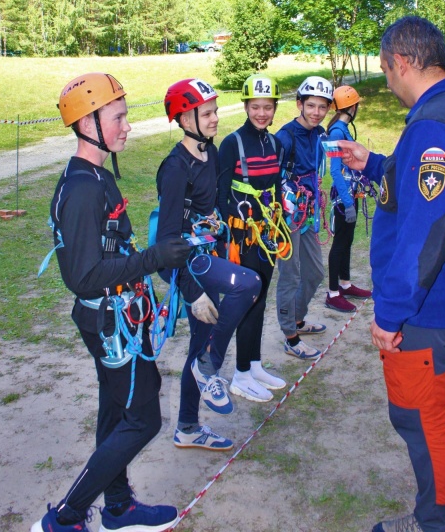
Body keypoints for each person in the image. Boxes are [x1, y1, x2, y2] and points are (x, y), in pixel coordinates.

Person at [338, 17, 445, 532]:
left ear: (402, 62)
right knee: (436, 409)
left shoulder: (434, 125)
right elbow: (423, 183)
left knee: (419, 418)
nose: (386, 82)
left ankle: (439, 521)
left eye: (386, 70)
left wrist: (391, 312)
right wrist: (374, 162)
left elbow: (425, 233)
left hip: (427, 308)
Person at [32, 73, 191, 532]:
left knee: (115, 411)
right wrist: (152, 259)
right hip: (109, 322)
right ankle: (66, 515)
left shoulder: (97, 174)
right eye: (118, 117)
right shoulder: (82, 188)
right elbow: (80, 276)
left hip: (117, 317)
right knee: (143, 419)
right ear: (87, 123)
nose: (126, 127)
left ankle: (118, 506)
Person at [156, 78, 259, 448]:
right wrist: (192, 291)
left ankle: (187, 428)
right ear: (185, 119)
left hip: (208, 255)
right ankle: (210, 362)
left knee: (198, 344)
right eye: (208, 113)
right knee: (249, 284)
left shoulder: (210, 152)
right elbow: (167, 240)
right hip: (187, 264)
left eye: (216, 111)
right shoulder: (174, 168)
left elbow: (214, 205)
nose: (217, 118)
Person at [218, 75, 289, 402]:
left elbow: (276, 185)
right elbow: (220, 195)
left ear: (275, 109)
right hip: (243, 237)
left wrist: (284, 210)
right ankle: (240, 375)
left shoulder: (276, 145)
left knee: (259, 300)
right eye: (255, 107)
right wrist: (236, 227)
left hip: (268, 234)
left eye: (268, 107)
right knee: (248, 301)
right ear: (245, 106)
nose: (262, 113)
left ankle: (253, 364)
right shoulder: (232, 143)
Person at [275, 76, 333, 360]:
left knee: (315, 272)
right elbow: (270, 179)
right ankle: (290, 335)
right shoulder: (285, 137)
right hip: (287, 216)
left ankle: (297, 318)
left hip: (307, 212)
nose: (316, 112)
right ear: (299, 104)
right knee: (290, 274)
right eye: (310, 105)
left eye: (322, 107)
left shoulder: (318, 133)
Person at [325, 85, 371, 313]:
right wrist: (348, 202)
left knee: (347, 241)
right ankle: (333, 293)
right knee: (340, 243)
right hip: (344, 196)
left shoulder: (342, 129)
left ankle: (345, 283)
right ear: (353, 107)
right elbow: (334, 171)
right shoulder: (336, 132)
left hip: (350, 192)